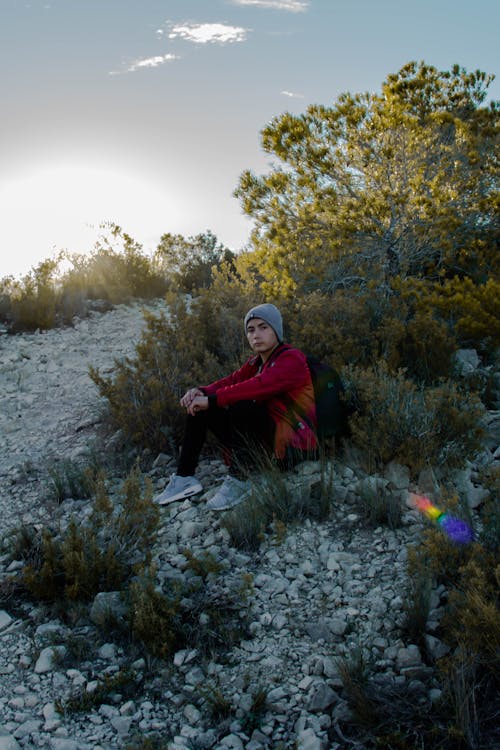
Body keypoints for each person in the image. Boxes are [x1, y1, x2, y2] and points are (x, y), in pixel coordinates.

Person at [154, 303, 318, 511]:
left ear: (276, 330)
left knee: (243, 403)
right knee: (202, 408)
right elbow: (231, 381)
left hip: (294, 448)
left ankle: (241, 480)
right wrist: (201, 392)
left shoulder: (291, 359)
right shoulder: (257, 362)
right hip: (267, 445)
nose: (256, 335)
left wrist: (212, 399)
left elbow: (258, 386)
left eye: (263, 327)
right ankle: (185, 477)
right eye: (251, 330)